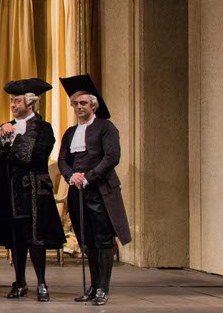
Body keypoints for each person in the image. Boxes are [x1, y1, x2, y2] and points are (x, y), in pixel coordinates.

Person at [0, 78, 65, 302]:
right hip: (9, 191)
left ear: (30, 103)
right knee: (16, 239)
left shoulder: (43, 128)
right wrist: (1, 136)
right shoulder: (5, 126)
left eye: (17, 101)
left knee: (35, 237)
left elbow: (33, 156)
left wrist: (12, 139)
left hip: (32, 191)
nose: (13, 105)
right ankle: (20, 281)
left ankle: (41, 282)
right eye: (12, 101)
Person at [59, 76, 130, 307]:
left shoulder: (106, 128)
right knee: (87, 241)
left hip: (100, 192)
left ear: (93, 105)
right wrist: (72, 176)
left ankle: (102, 288)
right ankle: (93, 286)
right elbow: (62, 160)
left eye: (83, 103)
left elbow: (112, 157)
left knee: (102, 240)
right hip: (78, 191)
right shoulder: (70, 132)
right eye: (75, 104)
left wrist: (88, 176)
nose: (79, 107)